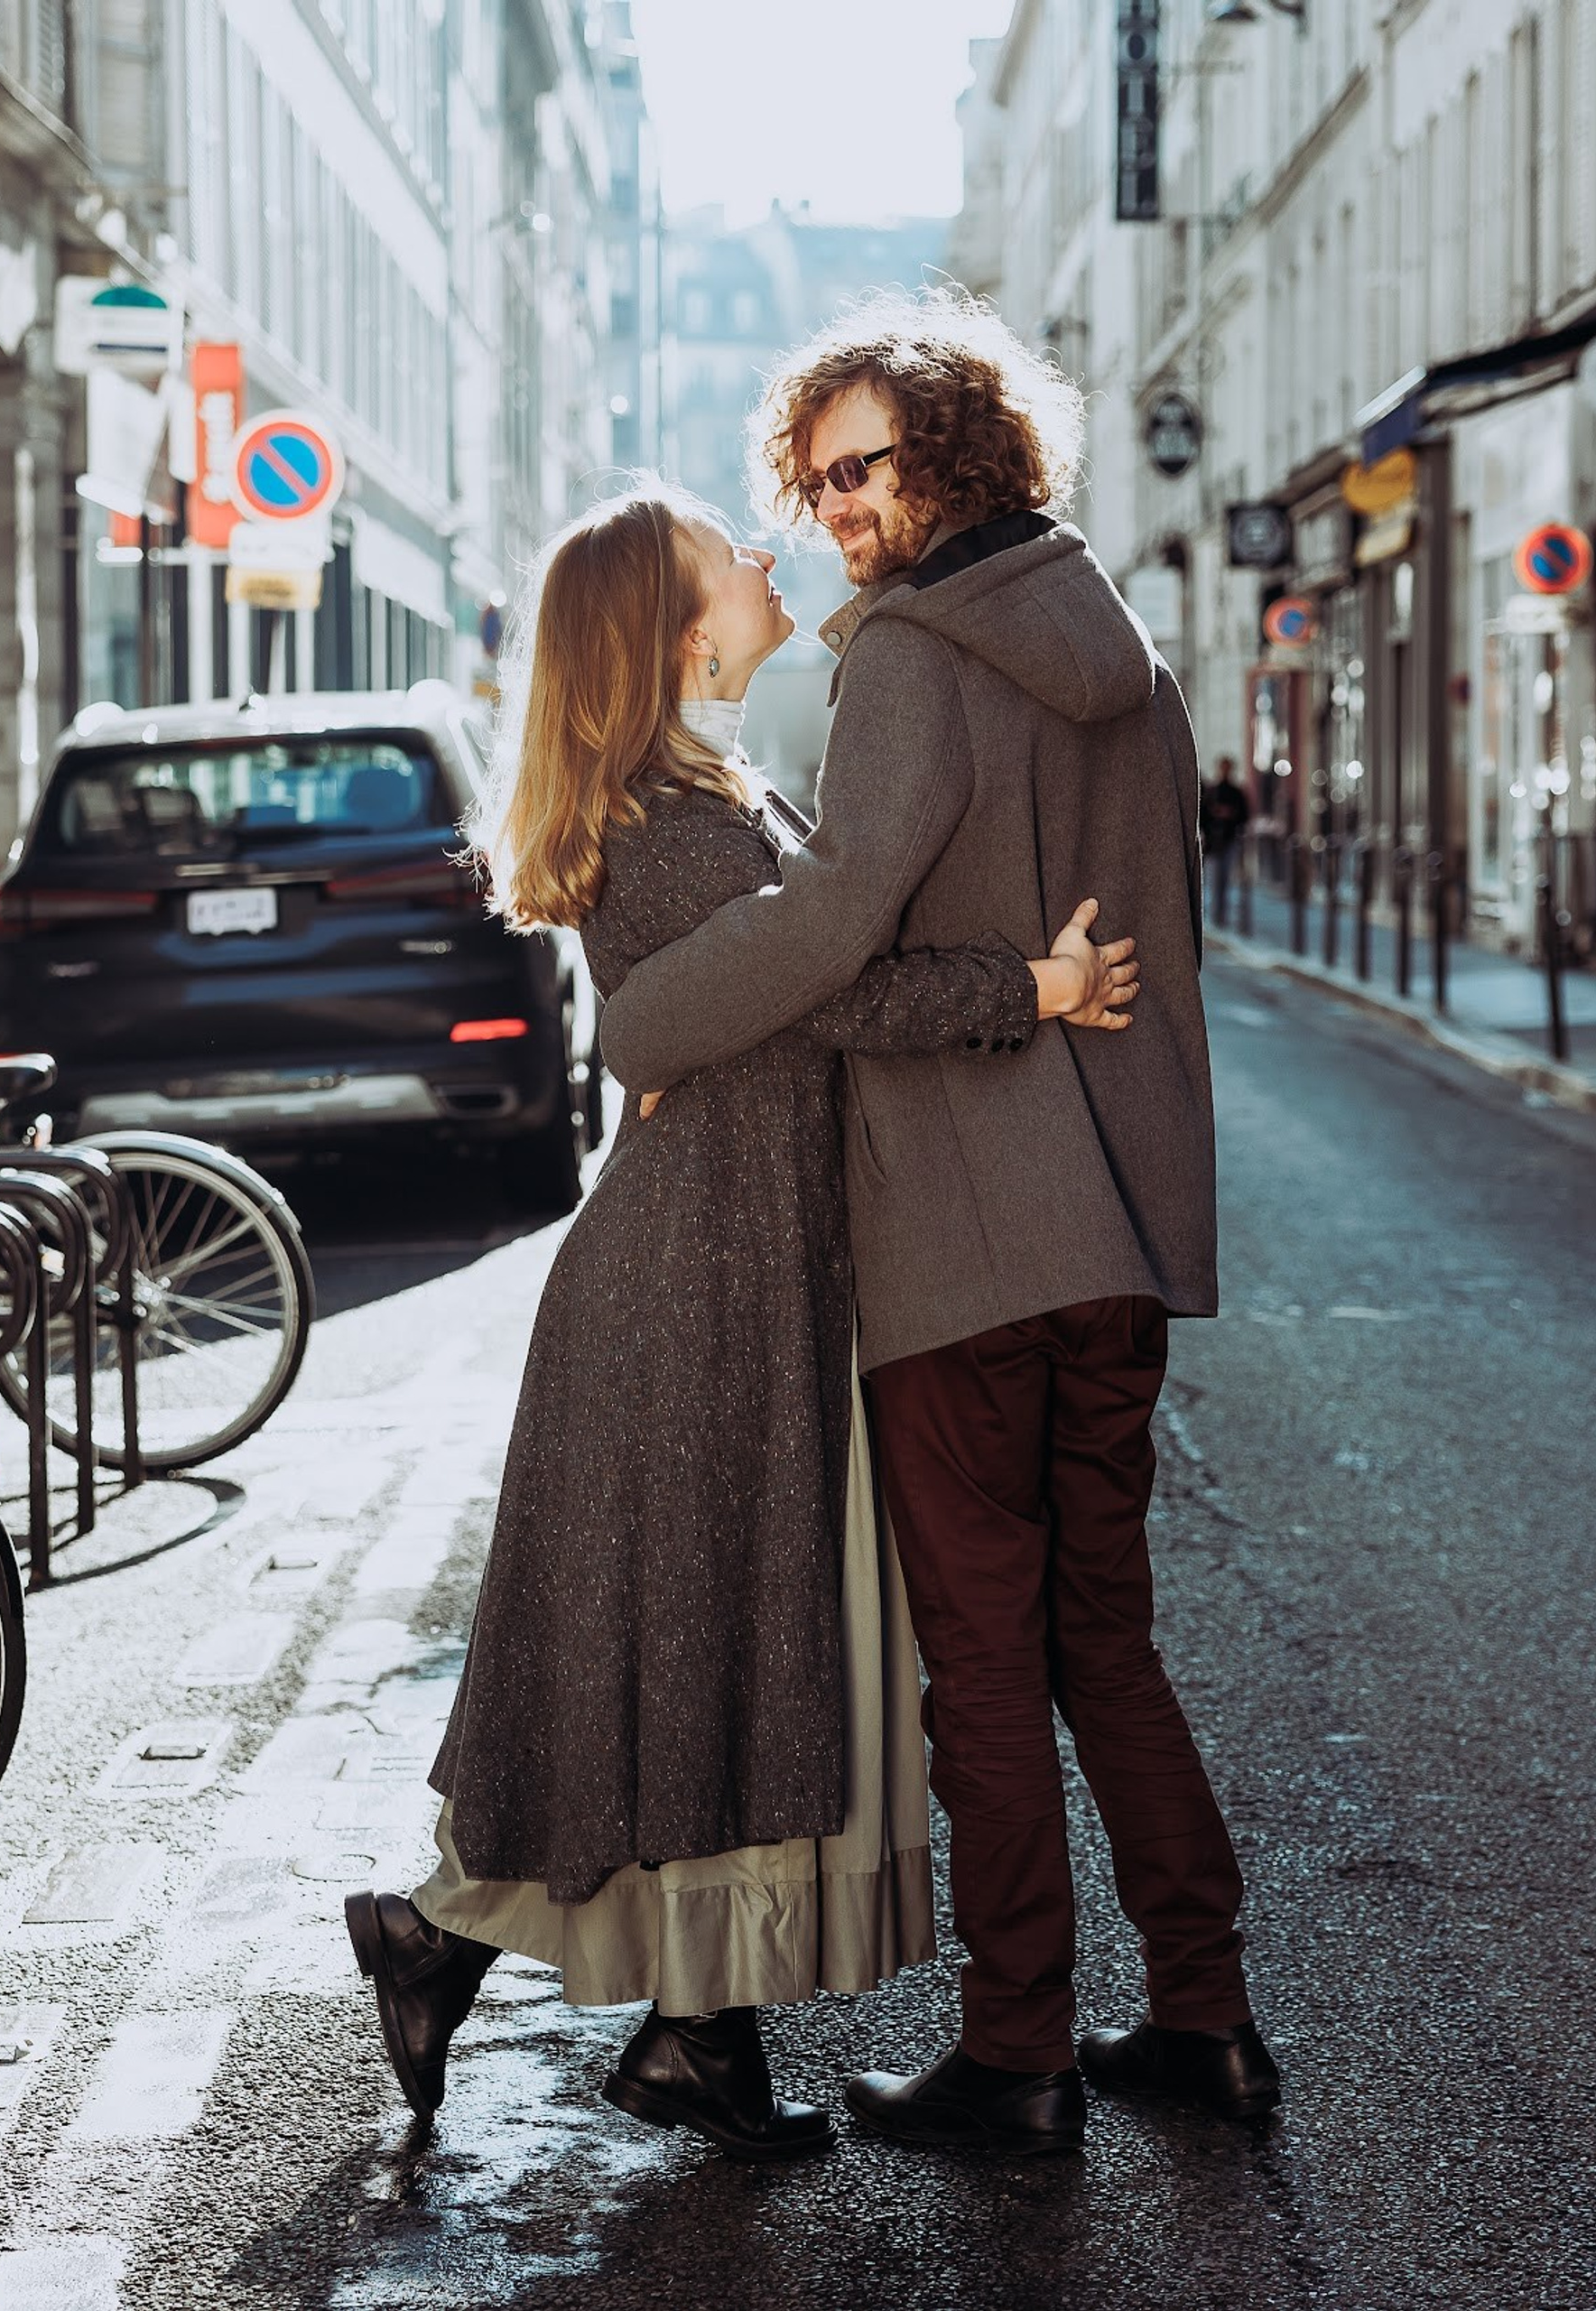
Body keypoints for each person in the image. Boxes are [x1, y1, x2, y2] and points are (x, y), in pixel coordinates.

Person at [344, 481, 1139, 2161]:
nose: (768, 560)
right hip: (694, 1276)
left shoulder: (702, 786)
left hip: (730, 1253)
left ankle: (694, 2037)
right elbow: (833, 987)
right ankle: (452, 1942)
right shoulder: (678, 816)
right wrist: (1038, 992)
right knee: (695, 1623)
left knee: (717, 1624)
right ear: (676, 623)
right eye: (732, 556)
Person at [597, 287, 1278, 2158]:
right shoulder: (1117, 658)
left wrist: (645, 1016)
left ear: (953, 450)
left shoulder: (911, 657)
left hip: (965, 1240)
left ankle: (1018, 2050)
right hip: (1115, 1234)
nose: (836, 517)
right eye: (812, 489)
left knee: (981, 1658)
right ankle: (1205, 2018)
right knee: (1105, 1641)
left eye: (860, 473)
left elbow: (830, 930)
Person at [1200, 756, 1251, 923]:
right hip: (1214, 843)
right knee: (1214, 880)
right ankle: (1214, 914)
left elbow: (1244, 816)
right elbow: (1202, 817)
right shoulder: (1212, 792)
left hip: (1229, 841)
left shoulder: (1236, 793)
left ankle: (1221, 915)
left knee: (1225, 879)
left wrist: (1230, 815)